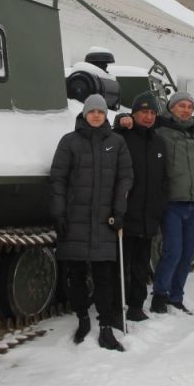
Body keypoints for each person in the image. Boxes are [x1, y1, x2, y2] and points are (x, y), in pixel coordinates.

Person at [49, 94, 134, 350]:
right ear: (84, 114)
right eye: (92, 111)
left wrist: (119, 211)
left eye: (100, 111)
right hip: (75, 218)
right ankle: (83, 318)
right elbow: (58, 179)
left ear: (105, 114)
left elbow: (125, 179)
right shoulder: (69, 142)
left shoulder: (117, 143)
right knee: (75, 274)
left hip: (104, 221)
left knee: (104, 275)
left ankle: (106, 325)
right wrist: (59, 213)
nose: (96, 115)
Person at [150, 91, 194, 314]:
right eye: (181, 106)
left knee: (188, 254)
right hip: (173, 202)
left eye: (189, 106)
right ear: (172, 107)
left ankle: (176, 296)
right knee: (172, 251)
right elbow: (139, 123)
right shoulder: (161, 128)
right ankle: (160, 294)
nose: (186, 110)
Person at [113, 91, 169, 322]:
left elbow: (163, 180)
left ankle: (136, 305)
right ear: (134, 114)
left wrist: (159, 209)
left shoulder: (159, 142)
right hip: (127, 215)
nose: (148, 116)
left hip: (148, 217)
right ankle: (116, 307)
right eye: (143, 112)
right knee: (120, 266)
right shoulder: (122, 138)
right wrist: (118, 122)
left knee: (140, 266)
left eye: (152, 112)